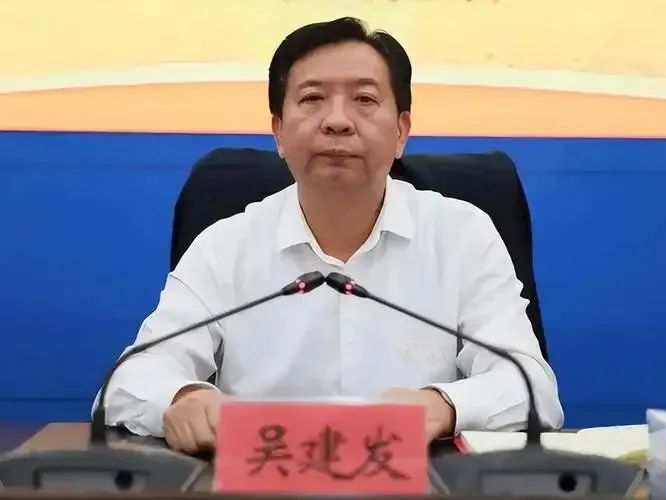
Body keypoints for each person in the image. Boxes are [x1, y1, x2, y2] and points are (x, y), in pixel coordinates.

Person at [99, 17, 563, 453]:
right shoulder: (225, 246)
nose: (337, 120)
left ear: (401, 131)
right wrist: (182, 398)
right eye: (312, 99)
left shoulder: (462, 235)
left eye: (364, 99)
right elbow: (127, 381)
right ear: (279, 132)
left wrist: (442, 406)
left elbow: (532, 389)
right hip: (260, 483)